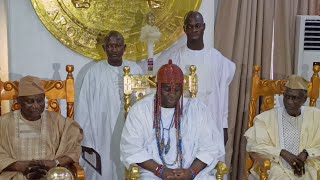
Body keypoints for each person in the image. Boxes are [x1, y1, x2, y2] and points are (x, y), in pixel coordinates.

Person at [120, 60, 224, 179]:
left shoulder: (197, 109)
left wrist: (191, 172)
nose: (172, 94)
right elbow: (131, 148)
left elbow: (210, 147)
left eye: (177, 89)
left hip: (193, 174)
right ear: (158, 88)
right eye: (167, 89)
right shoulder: (140, 110)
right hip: (153, 174)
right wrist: (161, 171)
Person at [155, 11, 235, 143]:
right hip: (185, 120)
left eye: (197, 26)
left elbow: (224, 94)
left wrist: (224, 125)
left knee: (211, 157)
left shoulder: (218, 59)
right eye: (190, 26)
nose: (194, 30)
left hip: (212, 117)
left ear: (203, 27)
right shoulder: (175, 59)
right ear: (184, 29)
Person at [76, 31, 142, 180]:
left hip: (128, 128)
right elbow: (84, 106)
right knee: (105, 166)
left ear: (124, 48)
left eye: (117, 46)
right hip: (102, 130)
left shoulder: (135, 69)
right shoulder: (93, 72)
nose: (114, 50)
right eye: (110, 46)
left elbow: (142, 101)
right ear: (104, 48)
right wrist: (84, 136)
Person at [0, 75, 83, 180]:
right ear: (19, 101)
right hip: (16, 175)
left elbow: (74, 148)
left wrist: (55, 163)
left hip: (51, 175)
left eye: (40, 100)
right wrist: (19, 165)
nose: (36, 106)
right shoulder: (4, 122)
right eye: (30, 101)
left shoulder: (57, 121)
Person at [245, 75, 320, 179]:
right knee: (279, 174)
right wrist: (282, 153)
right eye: (287, 96)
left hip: (307, 163)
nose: (289, 101)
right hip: (275, 164)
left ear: (304, 99)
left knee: (307, 173)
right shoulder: (265, 119)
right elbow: (253, 146)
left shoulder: (316, 116)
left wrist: (306, 153)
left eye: (294, 98)